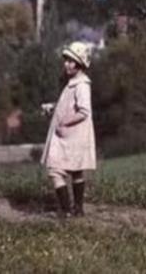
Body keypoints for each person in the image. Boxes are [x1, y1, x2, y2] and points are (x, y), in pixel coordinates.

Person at [42, 41, 96, 219]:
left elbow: (84, 111)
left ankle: (67, 211)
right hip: (70, 135)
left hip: (70, 134)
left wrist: (64, 122)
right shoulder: (73, 83)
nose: (66, 64)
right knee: (75, 170)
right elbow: (69, 105)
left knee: (55, 170)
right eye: (66, 60)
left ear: (80, 64)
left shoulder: (81, 85)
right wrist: (54, 106)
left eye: (71, 61)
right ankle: (77, 209)